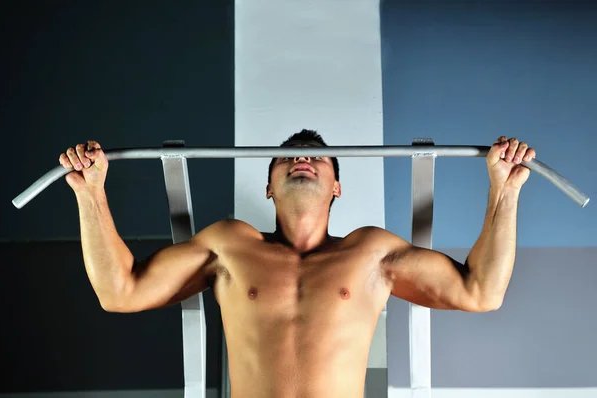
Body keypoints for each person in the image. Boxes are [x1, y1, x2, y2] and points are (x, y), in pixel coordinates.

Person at [59, 130, 535, 398]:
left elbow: (482, 292)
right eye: (286, 156)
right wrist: (90, 193)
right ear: (268, 186)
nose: (303, 157)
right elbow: (119, 291)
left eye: (318, 157)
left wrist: (504, 190)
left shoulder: (371, 252)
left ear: (337, 187)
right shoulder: (229, 246)